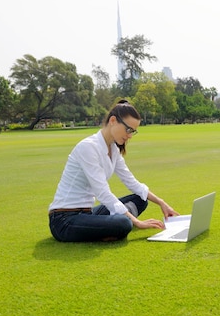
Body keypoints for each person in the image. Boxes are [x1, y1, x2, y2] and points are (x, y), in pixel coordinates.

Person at [48, 100, 179, 242]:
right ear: (113, 121)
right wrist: (137, 222)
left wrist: (161, 203)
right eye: (128, 129)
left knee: (141, 199)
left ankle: (108, 226)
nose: (129, 136)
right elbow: (102, 192)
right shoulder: (88, 148)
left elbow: (132, 182)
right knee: (124, 224)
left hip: (88, 213)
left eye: (133, 132)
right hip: (64, 220)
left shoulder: (114, 150)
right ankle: (113, 226)